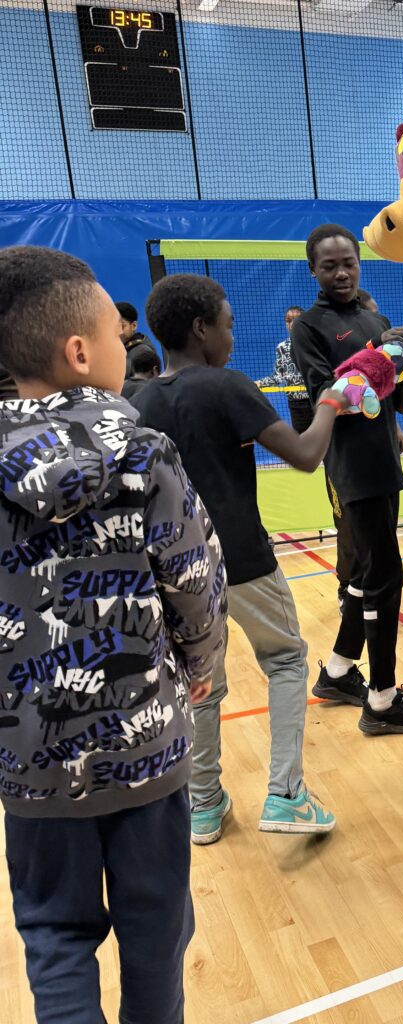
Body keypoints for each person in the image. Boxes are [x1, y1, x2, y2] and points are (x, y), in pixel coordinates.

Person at [0, 246, 227, 1023]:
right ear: (81, 351)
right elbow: (193, 579)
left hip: (27, 759)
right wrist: (201, 666)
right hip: (146, 750)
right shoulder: (143, 451)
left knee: (54, 935)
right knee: (156, 929)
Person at [131, 273, 345, 844]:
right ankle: (286, 794)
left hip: (174, 572)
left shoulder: (138, 401)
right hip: (243, 559)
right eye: (227, 325)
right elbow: (304, 454)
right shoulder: (228, 385)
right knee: (286, 660)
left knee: (200, 681)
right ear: (201, 329)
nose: (233, 334)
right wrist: (328, 403)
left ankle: (203, 806)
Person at [290, 223, 403, 735]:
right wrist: (379, 353)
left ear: (360, 263)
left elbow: (399, 400)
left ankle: (336, 673)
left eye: (348, 262)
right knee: (383, 581)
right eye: (328, 265)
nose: (340, 272)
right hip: (351, 467)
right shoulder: (309, 326)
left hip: (384, 464)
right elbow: (326, 396)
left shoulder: (376, 318)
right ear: (314, 269)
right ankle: (381, 700)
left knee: (364, 575)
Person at [256, 305, 313, 432]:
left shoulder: (314, 344)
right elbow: (277, 377)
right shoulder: (282, 347)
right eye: (288, 320)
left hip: (315, 401)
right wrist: (259, 383)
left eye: (295, 319)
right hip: (296, 405)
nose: (291, 324)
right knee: (302, 444)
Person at [115, 300, 162, 378]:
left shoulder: (144, 352)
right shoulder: (118, 349)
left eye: (122, 326)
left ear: (134, 325)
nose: (118, 331)